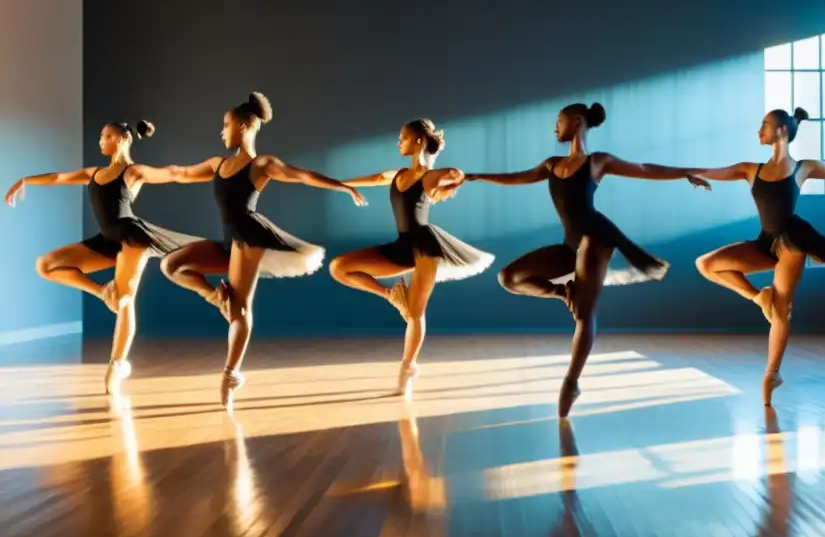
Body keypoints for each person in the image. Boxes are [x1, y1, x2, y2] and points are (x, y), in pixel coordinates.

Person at [465, 102, 710, 417]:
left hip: (597, 237)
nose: (555, 126)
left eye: (560, 120)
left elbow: (645, 169)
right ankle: (563, 292)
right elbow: (516, 177)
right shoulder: (551, 164)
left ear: (577, 122)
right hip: (570, 245)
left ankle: (571, 382)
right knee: (509, 277)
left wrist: (685, 173)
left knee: (585, 313)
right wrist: (475, 176)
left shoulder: (597, 162)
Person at [155, 92, 367, 407]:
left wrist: (343, 186)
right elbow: (179, 173)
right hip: (228, 239)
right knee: (171, 265)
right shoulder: (218, 164)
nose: (222, 132)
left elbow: (303, 176)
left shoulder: (261, 164)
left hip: (249, 236)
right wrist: (139, 174)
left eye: (225, 125)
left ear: (244, 125)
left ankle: (230, 374)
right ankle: (216, 297)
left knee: (240, 308)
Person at [5, 120, 204, 394]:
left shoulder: (133, 172)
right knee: (46, 265)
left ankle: (117, 364)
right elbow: (58, 178)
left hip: (132, 239)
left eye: (107, 135)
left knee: (125, 299)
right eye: (101, 136)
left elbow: (173, 173)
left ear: (123, 139)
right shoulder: (95, 173)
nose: (101, 140)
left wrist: (213, 171)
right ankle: (102, 292)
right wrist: (26, 180)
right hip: (106, 241)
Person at [691, 108, 825, 405]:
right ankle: (759, 298)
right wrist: (690, 174)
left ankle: (772, 373)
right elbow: (718, 172)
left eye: (765, 125)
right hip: (764, 243)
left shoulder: (802, 167)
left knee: (782, 309)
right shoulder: (750, 169)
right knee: (706, 264)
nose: (759, 130)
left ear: (782, 131)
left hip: (791, 244)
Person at [330, 118, 493, 398]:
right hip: (402, 246)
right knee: (339, 267)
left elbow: (456, 173)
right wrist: (338, 184)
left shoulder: (428, 177)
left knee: (416, 313)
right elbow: (374, 178)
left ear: (419, 141)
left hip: (426, 249)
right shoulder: (398, 174)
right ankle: (391, 295)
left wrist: (447, 185)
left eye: (403, 138)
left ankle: (406, 371)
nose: (399, 142)